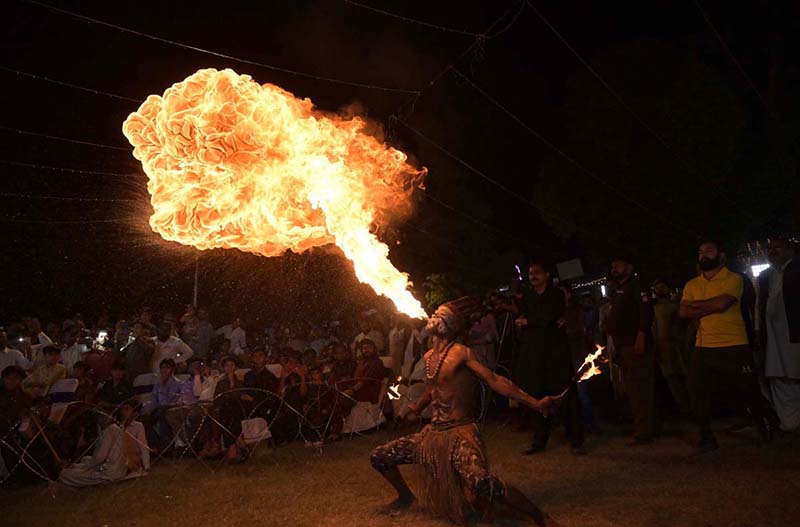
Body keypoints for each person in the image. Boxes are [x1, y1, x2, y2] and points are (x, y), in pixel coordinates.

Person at [370, 297, 560, 526]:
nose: (433, 317)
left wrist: (535, 402)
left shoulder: (461, 352)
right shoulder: (429, 356)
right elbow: (433, 390)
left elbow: (495, 380)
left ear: (450, 325)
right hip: (433, 434)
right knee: (380, 456)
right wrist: (414, 409)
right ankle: (405, 497)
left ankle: (538, 515)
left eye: (440, 314)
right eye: (435, 313)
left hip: (460, 433)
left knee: (480, 481)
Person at [680, 240, 774, 453]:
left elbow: (722, 304)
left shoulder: (734, 279)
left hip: (734, 344)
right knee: (696, 393)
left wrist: (698, 306)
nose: (704, 255)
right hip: (703, 347)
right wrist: (710, 305)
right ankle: (707, 438)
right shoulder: (692, 284)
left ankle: (766, 423)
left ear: (721, 256)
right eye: (700, 251)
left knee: (749, 390)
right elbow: (684, 312)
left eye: (709, 250)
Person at [504, 262, 584, 455]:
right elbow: (528, 318)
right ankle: (539, 440)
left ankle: (576, 439)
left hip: (556, 353)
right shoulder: (528, 297)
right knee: (536, 394)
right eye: (530, 274)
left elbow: (549, 316)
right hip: (534, 354)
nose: (533, 277)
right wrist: (530, 321)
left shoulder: (555, 294)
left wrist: (531, 321)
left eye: (537, 273)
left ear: (547, 275)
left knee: (565, 394)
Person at [606, 255, 657, 445]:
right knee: (631, 389)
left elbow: (645, 313)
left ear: (629, 267)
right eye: (612, 267)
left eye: (617, 265)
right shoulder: (620, 288)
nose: (614, 269)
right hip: (622, 346)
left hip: (635, 345)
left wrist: (641, 336)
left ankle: (644, 431)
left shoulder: (637, 285)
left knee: (640, 388)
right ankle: (640, 427)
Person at [758, 237, 800, 432]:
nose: (773, 251)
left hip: (795, 334)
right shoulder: (765, 277)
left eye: (777, 247)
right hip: (773, 339)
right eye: (769, 248)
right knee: (780, 377)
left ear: (790, 250)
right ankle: (790, 423)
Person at [58, 400, 150, 487]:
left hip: (108, 473)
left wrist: (80, 468)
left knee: (64, 474)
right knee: (85, 460)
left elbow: (100, 458)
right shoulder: (112, 428)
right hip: (114, 469)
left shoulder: (110, 430)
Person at [652, 279, 691, 413]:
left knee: (686, 377)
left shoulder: (677, 306)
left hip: (679, 346)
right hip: (664, 349)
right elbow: (655, 329)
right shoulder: (654, 309)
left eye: (663, 286)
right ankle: (684, 408)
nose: (660, 290)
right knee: (673, 380)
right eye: (658, 288)